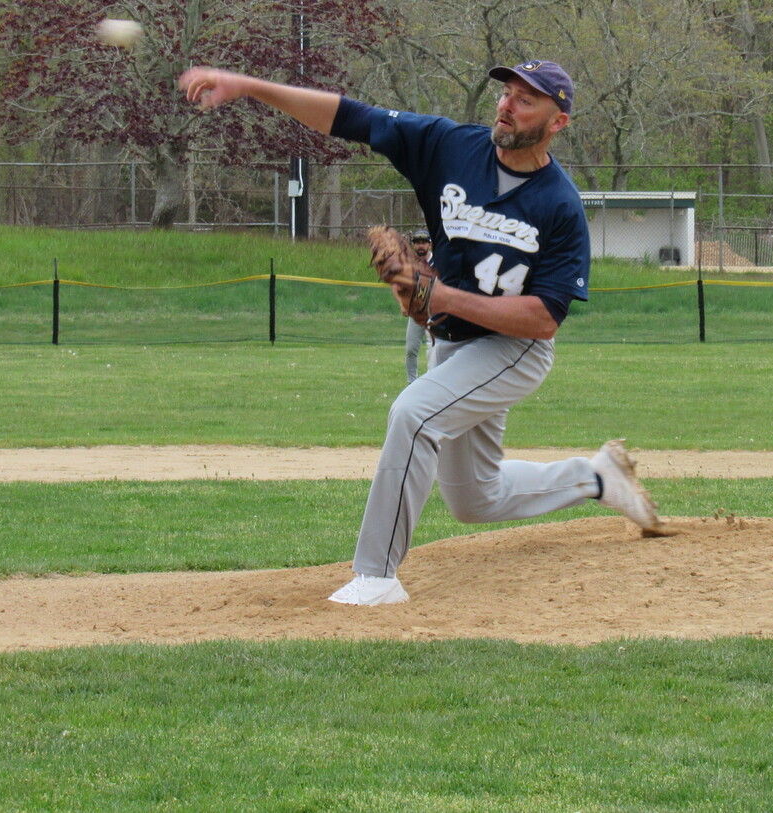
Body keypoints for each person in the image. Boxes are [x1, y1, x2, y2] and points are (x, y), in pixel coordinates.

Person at [178, 60, 663, 605]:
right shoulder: (448, 145)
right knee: (474, 499)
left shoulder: (560, 205)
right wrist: (248, 85)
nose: (507, 105)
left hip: (514, 351)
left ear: (558, 122)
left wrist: (441, 297)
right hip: (454, 345)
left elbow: (545, 318)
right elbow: (351, 118)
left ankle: (377, 576)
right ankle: (598, 478)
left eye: (527, 100)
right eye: (506, 93)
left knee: (413, 413)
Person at [403, 230, 433, 384]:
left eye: (423, 242)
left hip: (435, 314)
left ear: (429, 244)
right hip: (417, 313)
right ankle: (411, 384)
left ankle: (433, 383)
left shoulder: (439, 262)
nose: (420, 246)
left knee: (435, 351)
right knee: (411, 349)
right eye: (417, 242)